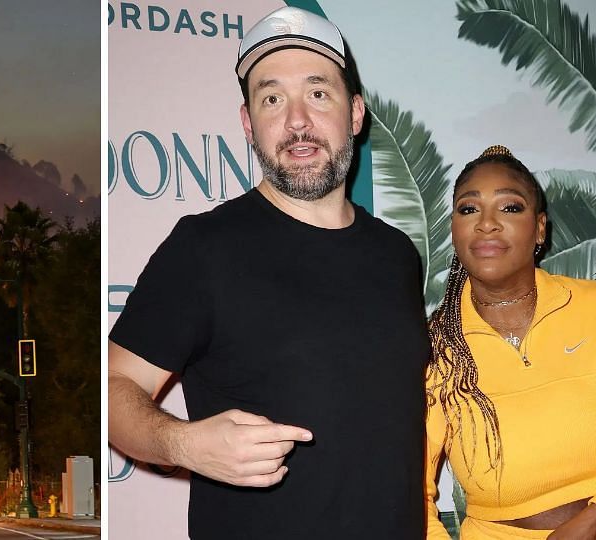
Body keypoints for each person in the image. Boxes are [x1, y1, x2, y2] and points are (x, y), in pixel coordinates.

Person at [107, 6, 430, 538]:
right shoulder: (203, 248)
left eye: (317, 92)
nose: (296, 120)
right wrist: (182, 443)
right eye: (272, 98)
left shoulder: (396, 253)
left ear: (355, 113)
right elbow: (115, 385)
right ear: (248, 122)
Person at [424, 145, 596, 539]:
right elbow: (410, 487)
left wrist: (595, 523)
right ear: (454, 228)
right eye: (469, 209)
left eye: (510, 208)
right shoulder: (436, 348)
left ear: (539, 228)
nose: (486, 223)